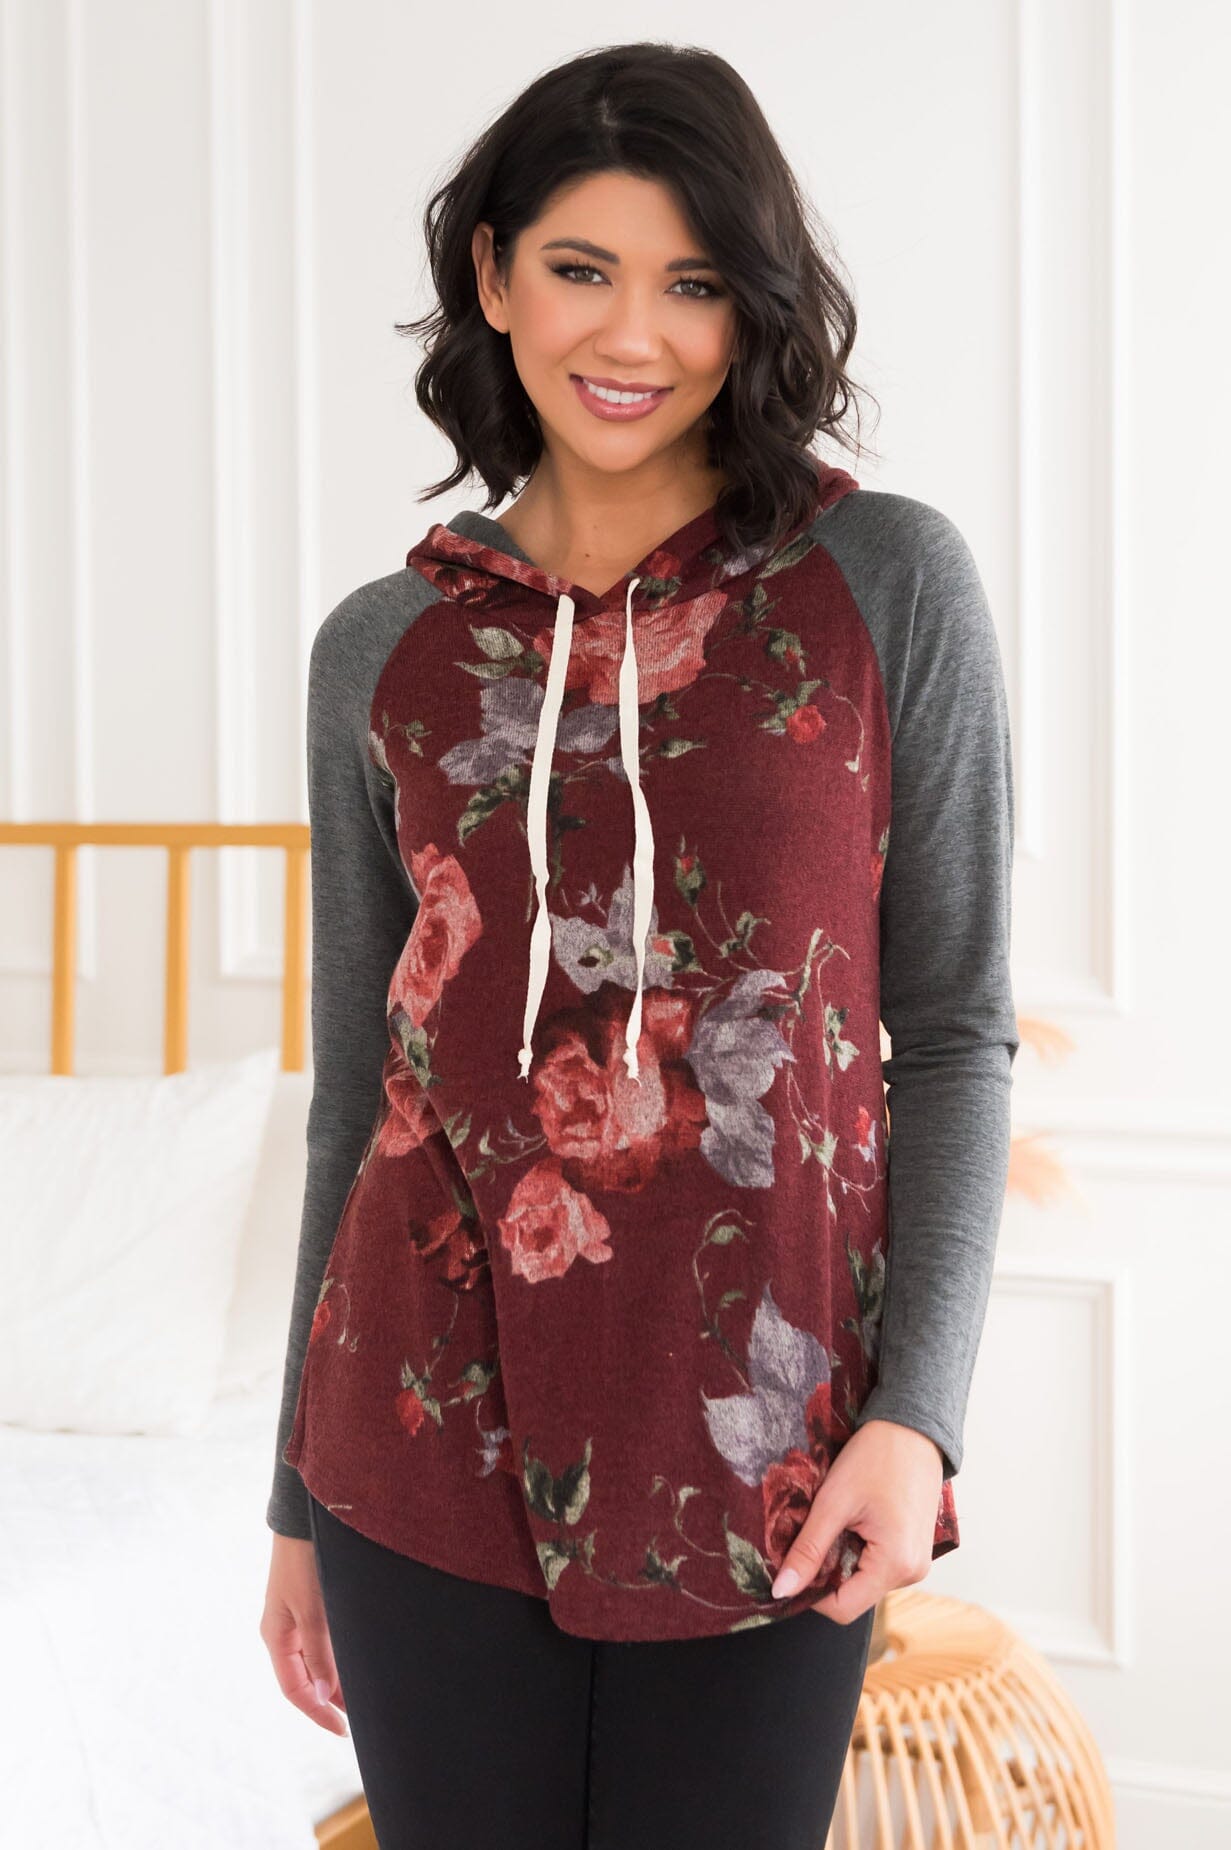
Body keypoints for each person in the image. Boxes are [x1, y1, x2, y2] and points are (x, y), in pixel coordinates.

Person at [259, 40, 1018, 1850]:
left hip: (772, 1451)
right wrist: (293, 1496)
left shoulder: (886, 585)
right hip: (412, 1443)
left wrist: (919, 1417)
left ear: (751, 309)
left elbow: (956, 1028)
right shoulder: (382, 648)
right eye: (582, 268)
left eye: (692, 283)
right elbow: (358, 1088)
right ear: (493, 273)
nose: (633, 335)